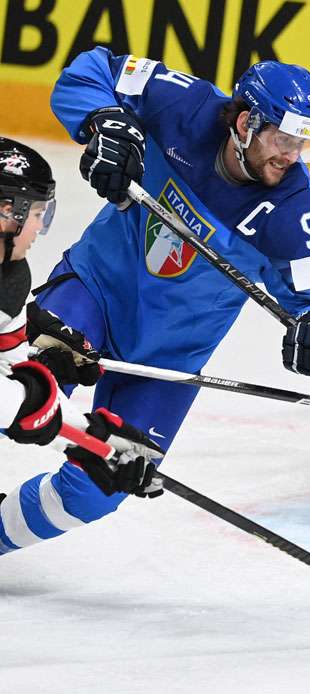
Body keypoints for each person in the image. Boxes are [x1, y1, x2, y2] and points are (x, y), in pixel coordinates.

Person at [0, 47, 310, 555]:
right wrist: (105, 121)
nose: (292, 156)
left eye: (305, 143)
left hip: (167, 360)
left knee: (97, 489)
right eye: (283, 139)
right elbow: (93, 69)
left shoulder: (293, 213)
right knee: (17, 389)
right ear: (244, 122)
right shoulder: (182, 104)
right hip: (96, 293)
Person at [0, 137, 161, 555]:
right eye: (35, 214)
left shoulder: (7, 278)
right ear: (5, 211)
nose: (39, 227)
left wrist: (94, 438)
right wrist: (90, 441)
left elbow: (13, 367)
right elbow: (14, 402)